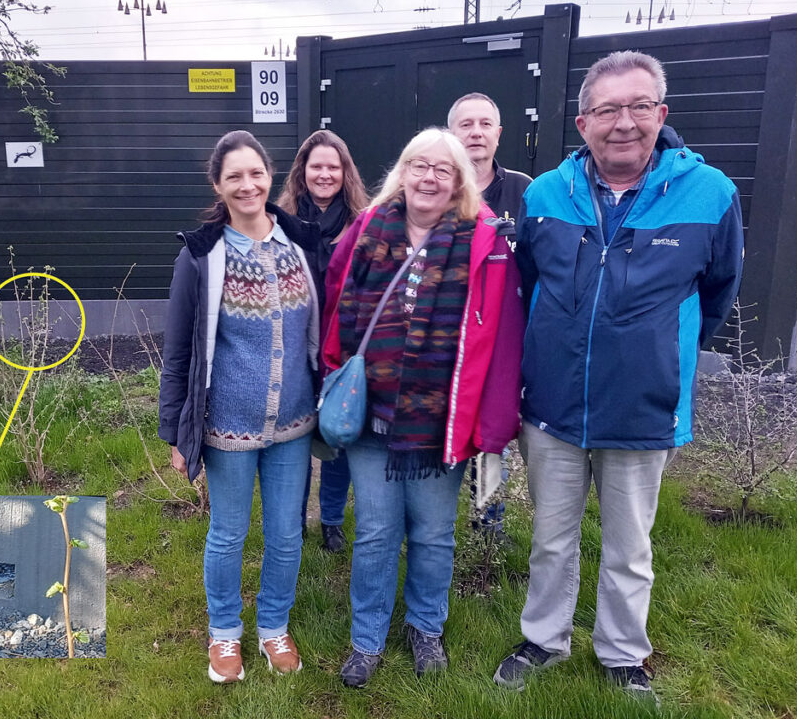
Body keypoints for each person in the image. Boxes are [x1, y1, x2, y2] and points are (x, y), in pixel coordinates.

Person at [494, 51, 743, 703]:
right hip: (552, 404)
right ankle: (544, 640)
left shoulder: (710, 193)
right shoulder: (545, 195)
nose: (623, 122)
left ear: (661, 113)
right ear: (584, 123)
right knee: (551, 540)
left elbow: (718, 291)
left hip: (642, 405)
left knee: (630, 548)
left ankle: (622, 655)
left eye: (638, 106)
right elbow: (526, 289)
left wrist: (658, 351)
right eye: (607, 110)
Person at [321, 128, 524, 687]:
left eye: (443, 169)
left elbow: (504, 337)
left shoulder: (484, 242)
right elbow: (334, 301)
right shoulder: (367, 229)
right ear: (402, 171)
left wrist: (494, 425)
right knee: (376, 532)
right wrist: (331, 370)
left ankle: (426, 628)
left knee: (433, 533)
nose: (429, 177)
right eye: (419, 165)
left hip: (441, 422)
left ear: (459, 182)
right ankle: (366, 640)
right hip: (370, 415)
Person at [158, 130, 323, 684]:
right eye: (235, 176)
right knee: (228, 533)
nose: (247, 185)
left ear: (270, 176)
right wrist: (176, 433)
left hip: (295, 423)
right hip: (227, 427)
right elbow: (178, 352)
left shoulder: (302, 243)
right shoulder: (201, 256)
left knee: (286, 534)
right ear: (218, 185)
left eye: (256, 173)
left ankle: (274, 625)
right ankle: (224, 631)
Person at [277, 130, 369, 553]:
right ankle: (293, 520)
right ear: (303, 171)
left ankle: (331, 519)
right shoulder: (280, 222)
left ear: (345, 172)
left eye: (333, 166)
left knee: (338, 435)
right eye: (317, 166)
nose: (325, 174)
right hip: (294, 348)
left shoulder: (363, 222)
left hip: (343, 347)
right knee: (295, 440)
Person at [448, 92, 533, 542]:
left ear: (499, 134)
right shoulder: (437, 189)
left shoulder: (525, 191)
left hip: (503, 342)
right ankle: (437, 526)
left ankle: (487, 532)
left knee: (493, 437)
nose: (476, 133)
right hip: (450, 343)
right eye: (466, 124)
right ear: (451, 134)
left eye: (485, 124)